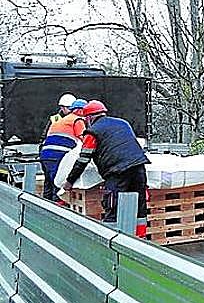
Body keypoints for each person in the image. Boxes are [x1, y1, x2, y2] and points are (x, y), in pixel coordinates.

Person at [63, 100, 151, 238]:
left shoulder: (92, 132)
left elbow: (83, 159)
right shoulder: (123, 123)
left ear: (89, 118)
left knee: (112, 205)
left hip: (117, 172)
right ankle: (141, 238)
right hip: (138, 166)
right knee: (140, 204)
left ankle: (112, 239)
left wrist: (69, 181)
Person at [39, 97, 86, 202]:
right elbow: (84, 140)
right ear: (79, 110)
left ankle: (45, 208)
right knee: (59, 184)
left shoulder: (61, 120)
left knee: (49, 184)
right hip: (57, 155)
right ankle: (58, 213)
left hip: (45, 154)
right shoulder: (77, 120)